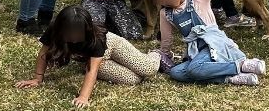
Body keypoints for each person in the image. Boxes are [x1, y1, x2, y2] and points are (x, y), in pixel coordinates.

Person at [152, 0, 269, 86]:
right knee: (175, 72)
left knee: (194, 69)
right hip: (195, 52)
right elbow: (167, 40)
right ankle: (232, 78)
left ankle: (242, 65)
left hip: (215, 45)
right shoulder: (165, 14)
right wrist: (162, 55)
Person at [16, 6, 161, 107]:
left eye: (77, 34)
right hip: (93, 60)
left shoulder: (95, 38)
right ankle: (133, 61)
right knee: (133, 79)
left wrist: (83, 97)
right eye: (69, 33)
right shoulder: (54, 29)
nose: (73, 38)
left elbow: (92, 70)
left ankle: (157, 54)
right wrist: (38, 78)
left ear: (87, 29)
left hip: (111, 44)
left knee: (148, 69)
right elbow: (44, 53)